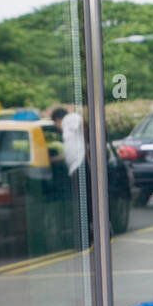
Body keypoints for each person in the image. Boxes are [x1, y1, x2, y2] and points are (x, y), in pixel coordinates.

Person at [51, 105, 91, 247]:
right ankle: (86, 231)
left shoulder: (69, 119)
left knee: (82, 201)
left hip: (80, 164)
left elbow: (82, 123)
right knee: (82, 200)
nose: (57, 127)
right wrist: (53, 159)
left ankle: (87, 232)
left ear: (58, 119)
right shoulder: (68, 131)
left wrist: (87, 145)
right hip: (75, 166)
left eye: (55, 124)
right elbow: (68, 151)